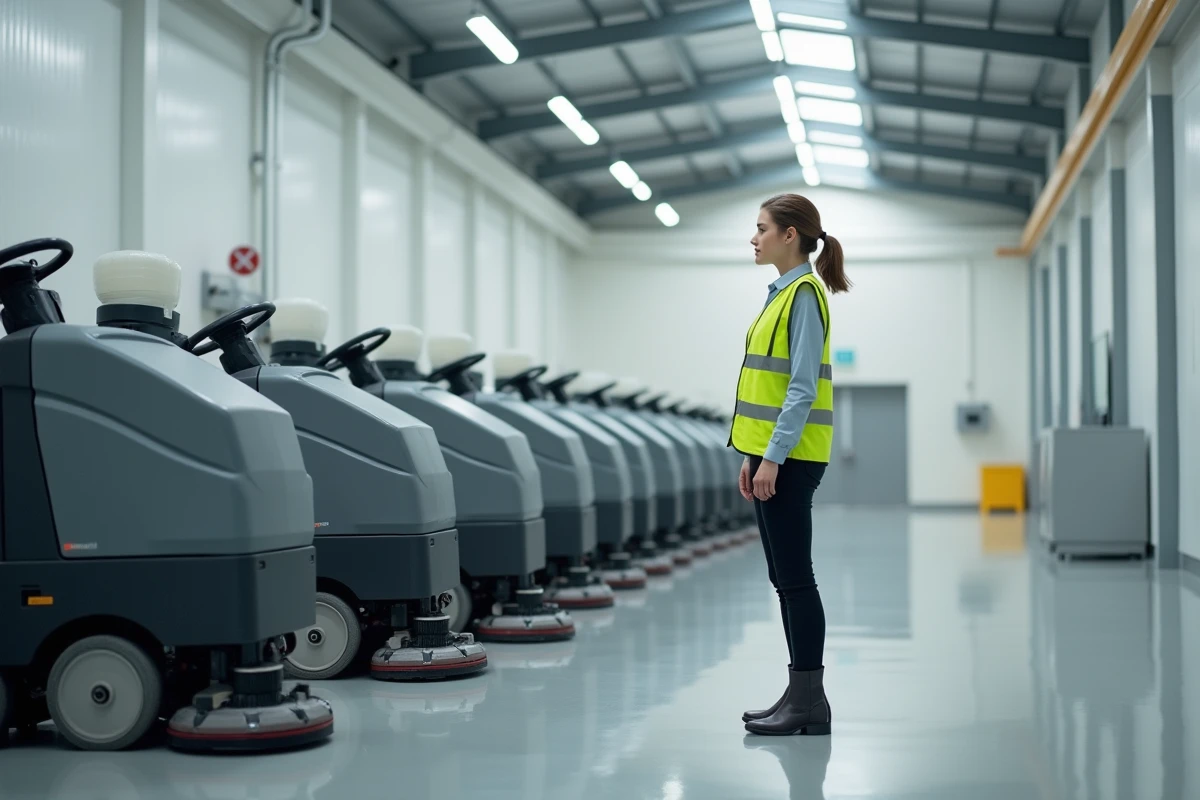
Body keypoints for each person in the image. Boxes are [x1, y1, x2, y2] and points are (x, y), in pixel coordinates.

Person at [730, 193, 851, 736]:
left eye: (761, 228)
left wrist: (772, 458)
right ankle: (799, 694)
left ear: (790, 234)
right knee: (785, 578)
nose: (753, 238)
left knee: (796, 580)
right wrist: (753, 455)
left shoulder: (803, 294)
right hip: (773, 458)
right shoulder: (780, 295)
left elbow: (800, 390)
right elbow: (768, 386)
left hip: (793, 459)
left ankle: (809, 702)